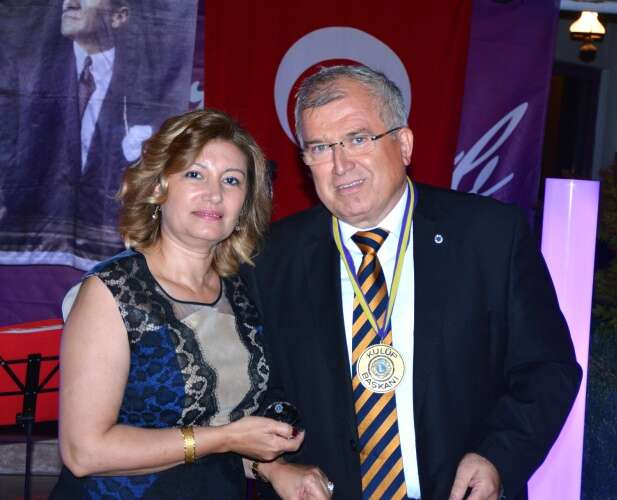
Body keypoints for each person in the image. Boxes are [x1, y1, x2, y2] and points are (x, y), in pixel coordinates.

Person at [243, 65, 582, 500]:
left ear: (403, 144)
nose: (341, 165)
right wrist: (276, 466)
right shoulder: (271, 258)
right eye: (321, 148)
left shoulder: (490, 236)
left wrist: (499, 457)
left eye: (358, 139)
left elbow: (547, 368)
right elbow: (254, 387)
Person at [50, 109, 333, 499]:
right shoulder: (111, 291)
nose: (214, 194)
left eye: (231, 180)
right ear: (158, 188)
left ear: (244, 205)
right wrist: (225, 438)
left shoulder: (244, 292)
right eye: (195, 174)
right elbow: (84, 452)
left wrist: (275, 469)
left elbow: (224, 433)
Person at [0, 0, 181, 264]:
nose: (70, 2)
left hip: (118, 248)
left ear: (119, 17)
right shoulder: (28, 75)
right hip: (33, 250)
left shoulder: (150, 85)